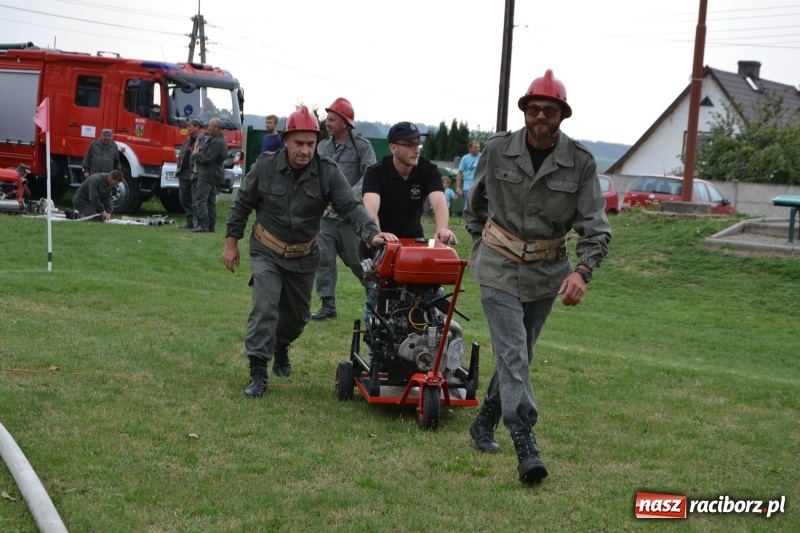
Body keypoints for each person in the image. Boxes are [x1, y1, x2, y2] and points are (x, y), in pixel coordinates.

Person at [464, 69, 612, 484]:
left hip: (547, 273)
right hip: (496, 265)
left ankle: (484, 422)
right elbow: (474, 207)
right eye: (533, 108)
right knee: (512, 353)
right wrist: (483, 246)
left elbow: (596, 227)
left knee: (521, 354)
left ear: (562, 115)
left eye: (549, 110)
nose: (540, 116)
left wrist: (582, 272)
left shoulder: (580, 162)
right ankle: (525, 440)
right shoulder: (497, 149)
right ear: (525, 111)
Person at [222, 106, 393, 397]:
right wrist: (231, 243)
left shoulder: (328, 171)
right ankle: (258, 371)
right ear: (286, 140)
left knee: (298, 317)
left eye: (311, 144)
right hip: (267, 249)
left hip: (304, 255)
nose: (305, 150)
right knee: (264, 306)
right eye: (299, 143)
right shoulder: (264, 166)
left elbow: (351, 206)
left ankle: (282, 344)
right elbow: (242, 205)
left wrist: (372, 234)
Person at [310, 97, 377, 321]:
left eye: (332, 119)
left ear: (345, 122)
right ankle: (328, 305)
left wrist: (346, 197)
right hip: (325, 217)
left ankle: (376, 297)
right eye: (327, 119)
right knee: (323, 260)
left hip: (350, 218)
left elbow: (369, 176)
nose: (327, 123)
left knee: (358, 262)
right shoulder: (322, 147)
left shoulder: (362, 147)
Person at [360, 121, 457, 251]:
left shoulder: (428, 169)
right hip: (380, 240)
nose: (416, 150)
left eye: (418, 144)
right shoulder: (376, 172)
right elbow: (370, 208)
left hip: (413, 241)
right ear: (393, 148)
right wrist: (375, 234)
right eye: (409, 145)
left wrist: (442, 231)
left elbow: (439, 202)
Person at [192, 117, 228, 233]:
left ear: (217, 128)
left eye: (211, 126)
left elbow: (208, 159)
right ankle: (210, 225)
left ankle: (203, 225)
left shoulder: (217, 141)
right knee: (210, 200)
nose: (208, 127)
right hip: (214, 174)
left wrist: (196, 155)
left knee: (201, 199)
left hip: (208, 174)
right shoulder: (219, 140)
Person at [175, 118, 203, 229]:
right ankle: (189, 221)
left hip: (195, 174)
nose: (188, 128)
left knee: (196, 199)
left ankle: (198, 222)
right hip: (183, 173)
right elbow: (181, 155)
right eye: (187, 126)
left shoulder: (201, 141)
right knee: (184, 199)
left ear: (197, 127)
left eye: (190, 126)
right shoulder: (187, 140)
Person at [455, 140, 481, 216]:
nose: (478, 149)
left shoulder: (482, 156)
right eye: (475, 147)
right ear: (470, 148)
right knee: (467, 204)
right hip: (468, 184)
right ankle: (465, 219)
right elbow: (460, 173)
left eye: (479, 147)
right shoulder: (465, 159)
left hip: (479, 183)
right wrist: (457, 187)